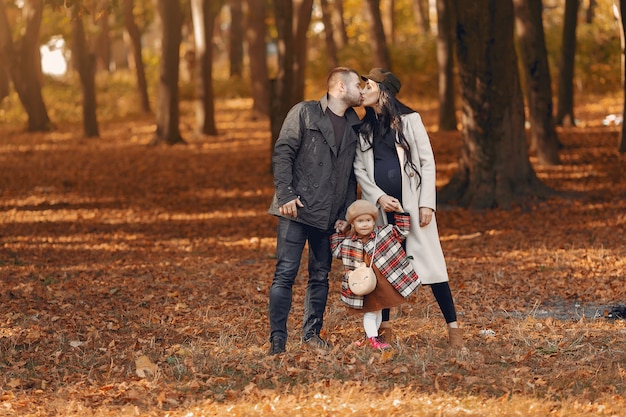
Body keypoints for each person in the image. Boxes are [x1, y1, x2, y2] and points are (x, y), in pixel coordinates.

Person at [354, 68, 464, 349]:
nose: (362, 91)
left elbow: (427, 161)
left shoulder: (410, 120)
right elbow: (360, 170)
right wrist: (378, 198)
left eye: (368, 86)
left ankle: (454, 331)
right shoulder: (364, 129)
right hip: (382, 211)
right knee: (385, 269)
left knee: (433, 266)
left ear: (383, 90)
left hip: (413, 207)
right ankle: (386, 330)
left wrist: (428, 203)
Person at [267, 67, 364, 355]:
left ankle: (311, 334)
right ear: (340, 87)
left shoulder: (354, 124)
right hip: (296, 209)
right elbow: (283, 151)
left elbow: (350, 176)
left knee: (320, 276)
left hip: (329, 216)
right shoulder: (304, 112)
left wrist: (345, 214)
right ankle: (277, 340)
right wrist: (285, 194)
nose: (362, 90)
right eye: (358, 85)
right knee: (285, 273)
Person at [330, 199, 421, 350]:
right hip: (365, 285)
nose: (365, 224)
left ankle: (371, 338)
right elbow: (336, 251)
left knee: (377, 310)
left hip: (382, 282)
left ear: (374, 221)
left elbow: (403, 231)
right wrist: (339, 233)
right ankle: (373, 339)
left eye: (368, 220)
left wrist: (399, 211)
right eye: (360, 221)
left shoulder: (383, 233)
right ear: (352, 224)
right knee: (371, 312)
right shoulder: (348, 243)